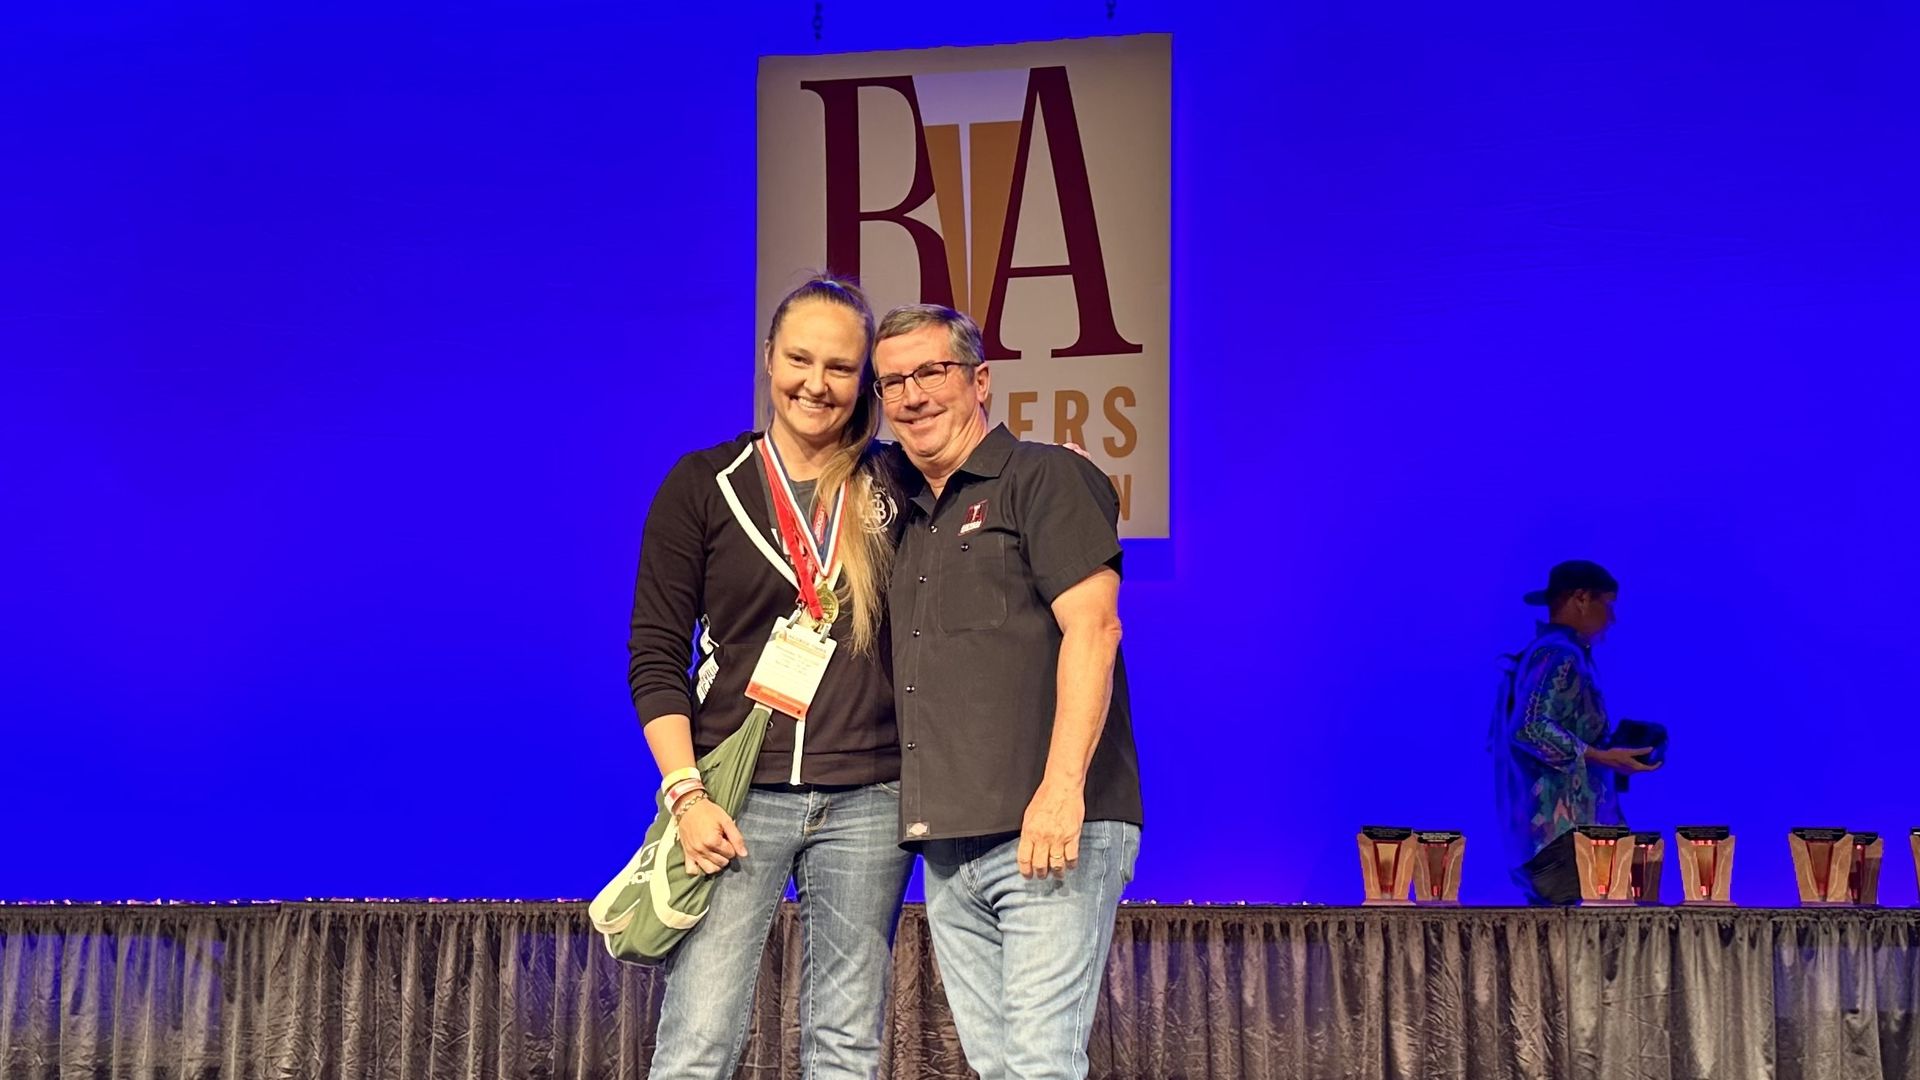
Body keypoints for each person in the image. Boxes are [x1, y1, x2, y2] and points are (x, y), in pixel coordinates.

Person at [625, 275, 914, 1079]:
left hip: (870, 797)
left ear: (864, 381)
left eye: (839, 367)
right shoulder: (704, 485)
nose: (815, 384)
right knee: (699, 1041)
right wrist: (685, 793)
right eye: (798, 359)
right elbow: (656, 652)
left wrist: (1060, 472)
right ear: (767, 359)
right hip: (735, 796)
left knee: (847, 1046)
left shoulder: (895, 486)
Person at [871, 303, 1143, 1080]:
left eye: (932, 371)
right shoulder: (905, 517)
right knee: (1004, 1070)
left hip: (1049, 832)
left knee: (1038, 1066)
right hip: (948, 843)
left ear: (980, 381)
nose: (914, 395)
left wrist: (1062, 791)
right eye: (894, 381)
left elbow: (1096, 631)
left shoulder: (1044, 475)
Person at [1492, 559, 1659, 903]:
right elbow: (1529, 728)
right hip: (1567, 839)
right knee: (1598, 944)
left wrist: (1611, 756)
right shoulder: (1558, 653)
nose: (1612, 618)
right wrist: (1599, 754)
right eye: (1608, 604)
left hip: (1553, 840)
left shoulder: (1545, 654)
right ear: (1582, 598)